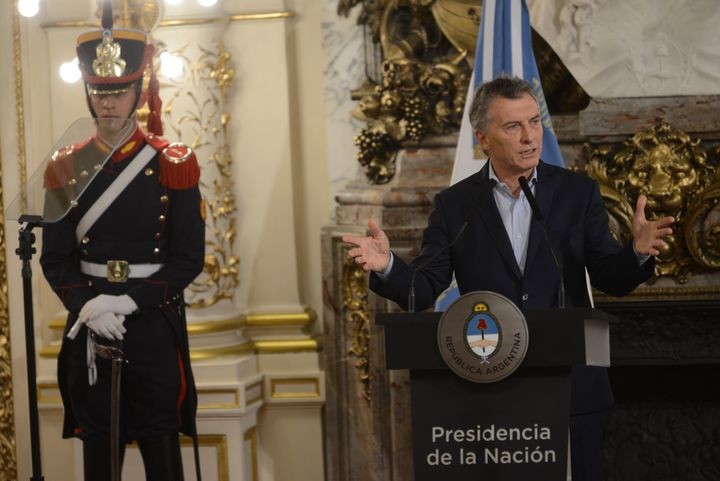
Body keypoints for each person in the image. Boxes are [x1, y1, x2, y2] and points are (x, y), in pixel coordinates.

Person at [342, 76, 674, 481]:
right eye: (513, 127)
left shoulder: (577, 193)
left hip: (571, 386)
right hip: (491, 388)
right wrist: (389, 265)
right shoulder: (455, 206)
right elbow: (422, 289)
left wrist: (636, 253)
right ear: (484, 137)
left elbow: (610, 276)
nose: (530, 137)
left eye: (534, 122)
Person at [40, 8, 205, 481]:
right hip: (92, 324)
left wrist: (129, 302)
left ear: (137, 91)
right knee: (99, 448)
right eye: (99, 92)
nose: (108, 102)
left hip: (151, 324)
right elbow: (55, 257)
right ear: (89, 94)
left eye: (117, 92)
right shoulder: (66, 167)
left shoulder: (173, 163)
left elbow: (188, 257)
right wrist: (93, 306)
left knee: (160, 443)